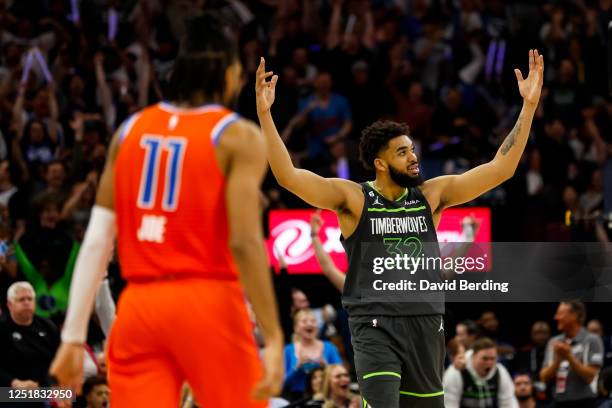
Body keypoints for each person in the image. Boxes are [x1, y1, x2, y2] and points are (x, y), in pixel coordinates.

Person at [256, 49, 544, 408]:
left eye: (412, 149)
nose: (413, 157)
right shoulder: (355, 198)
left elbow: (499, 170)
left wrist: (528, 107)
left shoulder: (431, 195)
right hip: (374, 323)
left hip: (426, 321)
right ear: (380, 163)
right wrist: (266, 115)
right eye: (403, 152)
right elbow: (289, 177)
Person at [49, 13, 283, 407]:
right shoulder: (237, 135)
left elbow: (97, 240)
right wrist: (275, 337)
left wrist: (73, 335)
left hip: (140, 306)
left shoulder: (128, 131)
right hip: (208, 301)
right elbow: (244, 241)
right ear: (229, 72)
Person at [540, 301, 604, 408]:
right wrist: (558, 359)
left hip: (585, 402)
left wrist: (569, 357)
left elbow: (590, 377)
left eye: (560, 314)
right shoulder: (554, 342)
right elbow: (543, 377)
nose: (556, 317)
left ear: (575, 315)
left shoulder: (592, 340)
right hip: (558, 402)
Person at [0, 281, 60, 389]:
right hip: (9, 390)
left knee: (70, 395)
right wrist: (14, 382)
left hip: (46, 387)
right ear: (10, 304)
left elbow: (59, 358)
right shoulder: (2, 327)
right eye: (21, 299)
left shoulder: (48, 326)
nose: (27, 302)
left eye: (30, 299)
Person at [443, 337, 518, 408]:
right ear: (473, 356)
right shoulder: (456, 371)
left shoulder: (500, 372)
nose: (489, 363)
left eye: (492, 359)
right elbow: (449, 404)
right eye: (485, 358)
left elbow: (508, 404)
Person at [284, 309, 342, 399]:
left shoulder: (329, 347)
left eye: (313, 321)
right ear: (296, 328)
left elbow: (341, 376)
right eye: (304, 321)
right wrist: (297, 367)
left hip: (326, 397)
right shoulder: (288, 350)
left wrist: (326, 367)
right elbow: (281, 384)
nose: (309, 324)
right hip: (296, 399)